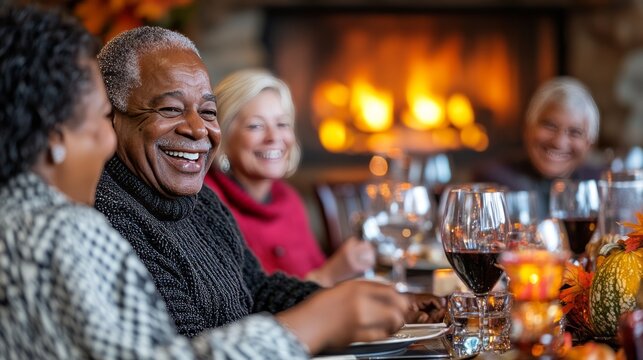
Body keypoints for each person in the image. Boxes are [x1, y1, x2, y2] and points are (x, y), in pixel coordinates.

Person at [93, 25, 444, 342]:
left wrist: (375, 302)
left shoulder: (203, 205)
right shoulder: (110, 222)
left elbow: (258, 289)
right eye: (170, 110)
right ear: (110, 118)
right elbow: (190, 348)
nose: (198, 129)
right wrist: (324, 318)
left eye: (208, 112)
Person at [203, 69, 374, 287]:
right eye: (255, 125)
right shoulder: (208, 206)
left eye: (282, 124)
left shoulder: (289, 200)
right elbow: (242, 306)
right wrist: (328, 276)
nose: (274, 137)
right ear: (224, 137)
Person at [473, 76, 602, 215]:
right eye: (550, 126)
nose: (559, 142)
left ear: (589, 143)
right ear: (527, 128)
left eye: (575, 132)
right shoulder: (493, 180)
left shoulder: (600, 186)